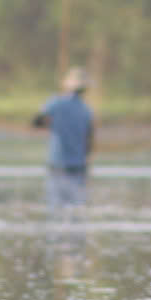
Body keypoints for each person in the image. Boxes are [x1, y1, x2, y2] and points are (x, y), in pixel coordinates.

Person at [34, 66, 96, 203]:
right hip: (78, 167)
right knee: (76, 210)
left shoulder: (55, 103)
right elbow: (89, 141)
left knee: (56, 210)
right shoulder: (86, 110)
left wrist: (54, 124)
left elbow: (37, 122)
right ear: (84, 89)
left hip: (57, 165)